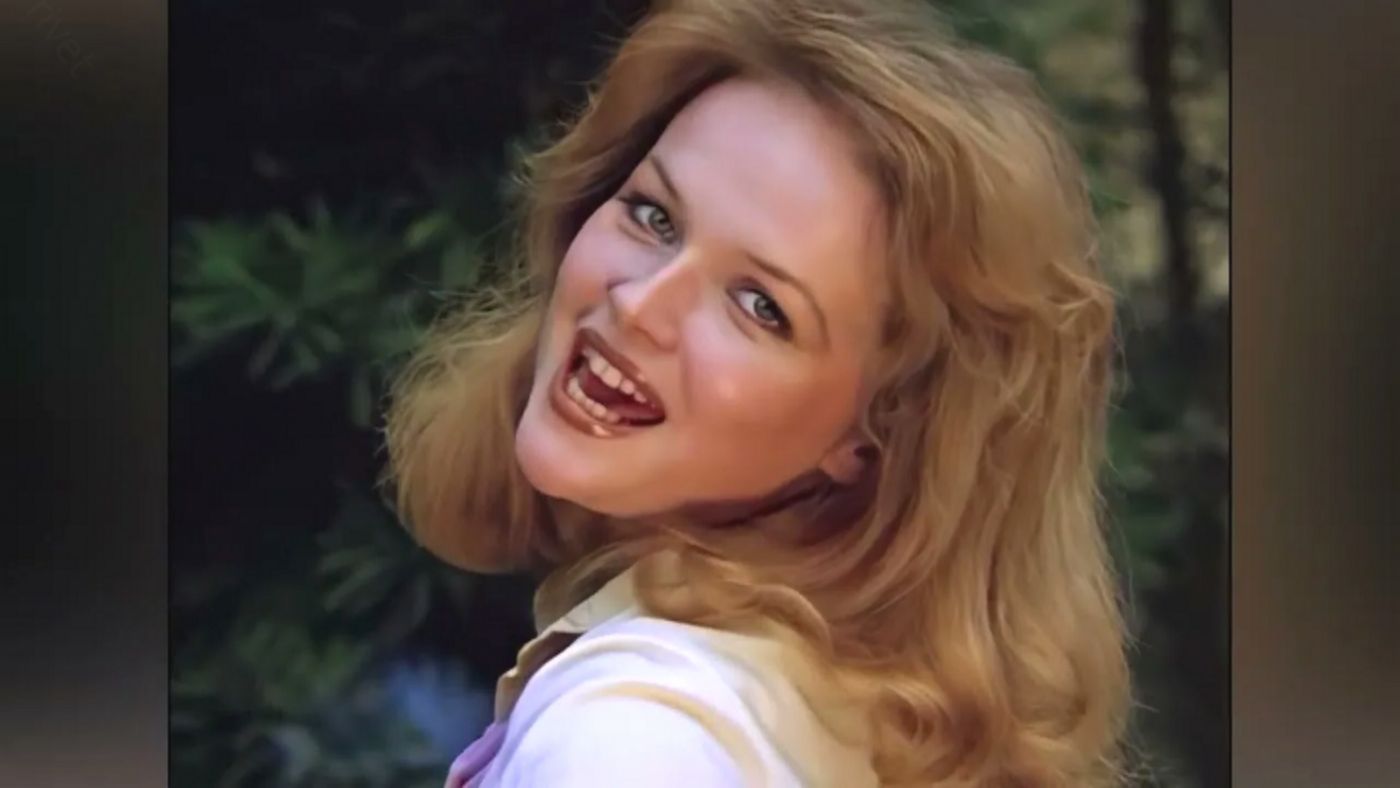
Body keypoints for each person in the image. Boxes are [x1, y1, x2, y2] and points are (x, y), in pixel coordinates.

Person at [385, 0, 1129, 784]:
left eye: (760, 306)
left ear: (878, 434)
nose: (639, 305)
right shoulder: (843, 712)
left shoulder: (628, 741)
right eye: (653, 217)